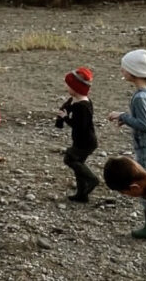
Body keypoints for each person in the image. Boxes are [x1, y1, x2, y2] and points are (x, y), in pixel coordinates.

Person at [107, 49, 146, 239]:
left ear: (134, 72)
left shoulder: (140, 96)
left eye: (124, 68)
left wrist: (122, 116)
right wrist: (128, 119)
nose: (122, 71)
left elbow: (144, 125)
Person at [55, 67, 99, 202]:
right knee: (78, 167)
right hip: (82, 140)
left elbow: (80, 126)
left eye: (69, 86)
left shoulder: (82, 106)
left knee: (70, 159)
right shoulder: (80, 102)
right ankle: (82, 194)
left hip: (85, 142)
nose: (67, 88)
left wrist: (66, 118)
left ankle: (92, 179)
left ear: (76, 88)